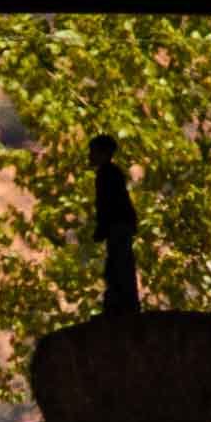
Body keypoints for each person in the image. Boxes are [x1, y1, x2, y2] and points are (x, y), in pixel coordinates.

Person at [89, 134, 140, 316]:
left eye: (93, 152)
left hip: (117, 226)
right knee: (120, 263)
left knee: (118, 265)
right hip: (120, 225)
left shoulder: (106, 174)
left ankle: (120, 306)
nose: (90, 156)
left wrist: (102, 228)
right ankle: (123, 304)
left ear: (103, 153)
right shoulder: (111, 173)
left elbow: (109, 204)